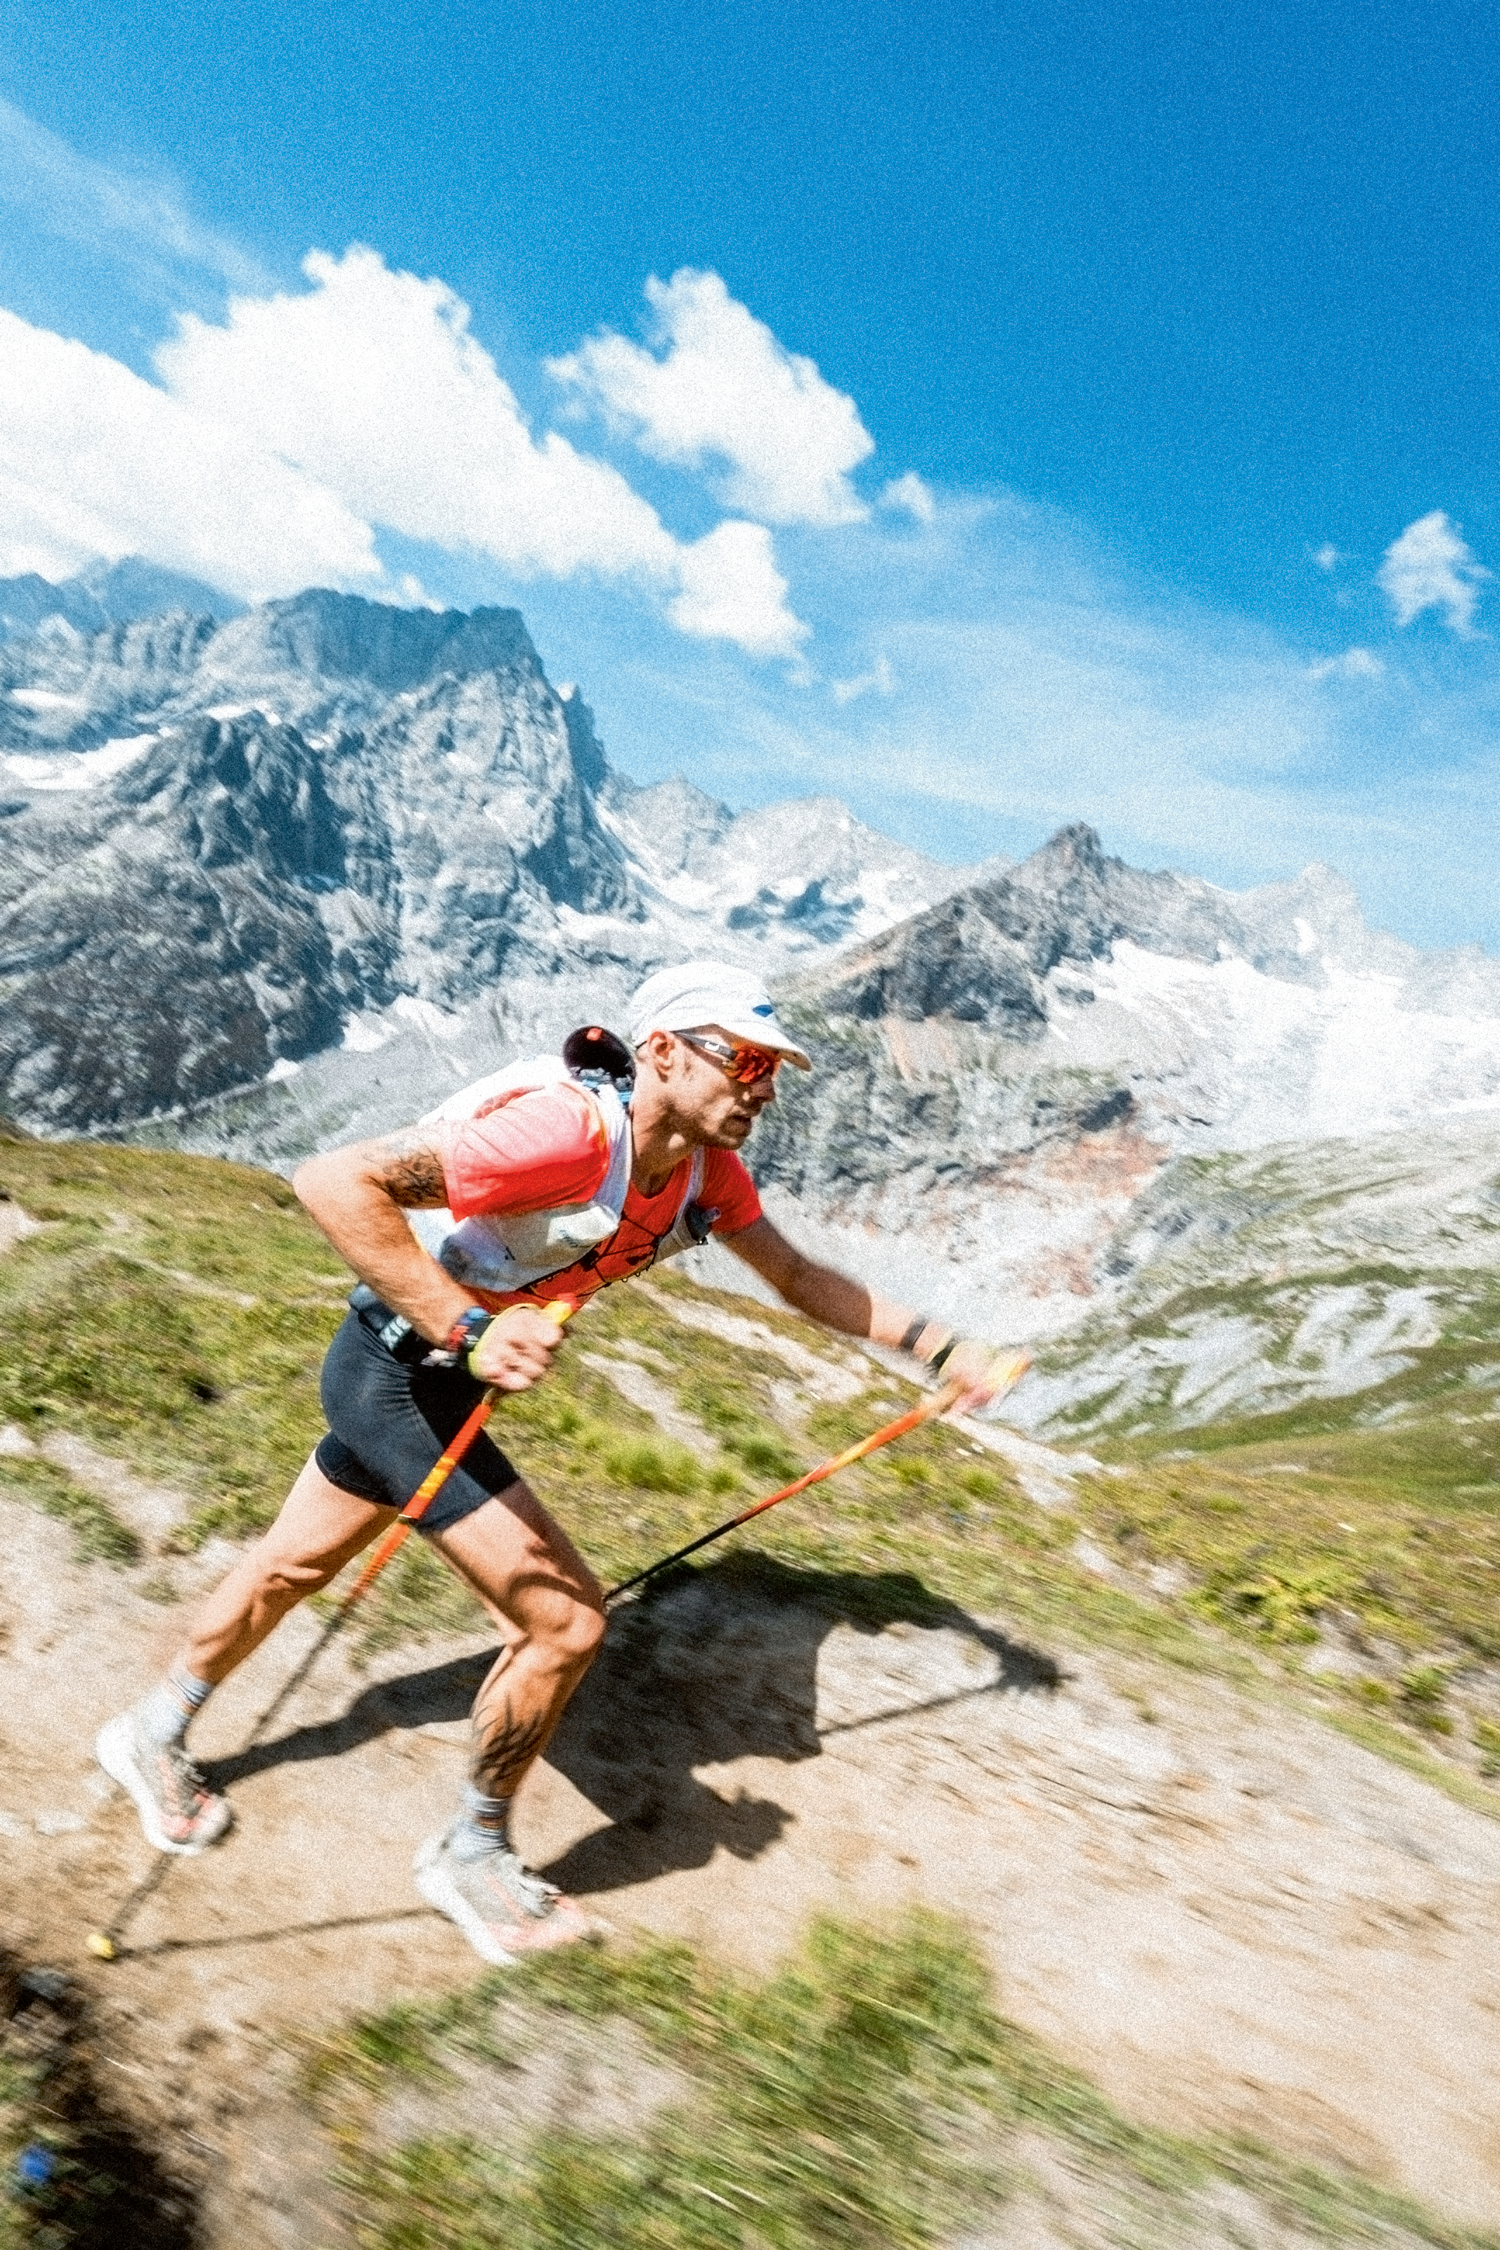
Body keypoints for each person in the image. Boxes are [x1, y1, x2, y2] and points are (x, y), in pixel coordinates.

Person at [97, 961, 1003, 1965]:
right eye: (744, 1059)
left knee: (291, 1567)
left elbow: (792, 1276)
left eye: (774, 1070)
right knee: (568, 1621)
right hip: (395, 1373)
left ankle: (149, 1730)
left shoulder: (706, 1171)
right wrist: (467, 1328)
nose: (763, 1086)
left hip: (431, 1386)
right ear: (661, 1051)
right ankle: (471, 1856)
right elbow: (333, 1181)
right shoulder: (568, 1137)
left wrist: (942, 1350)